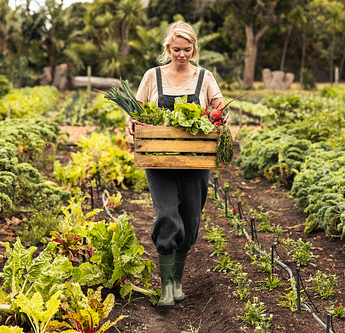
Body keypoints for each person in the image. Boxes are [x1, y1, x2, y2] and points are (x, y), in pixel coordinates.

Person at [126, 21, 225, 307]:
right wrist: (131, 123)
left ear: (194, 49)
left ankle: (178, 280)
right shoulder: (152, 76)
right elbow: (133, 113)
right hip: (159, 161)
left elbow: (218, 107)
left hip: (195, 162)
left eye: (187, 49)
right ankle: (167, 286)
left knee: (191, 223)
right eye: (176, 49)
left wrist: (220, 116)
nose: (182, 54)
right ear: (168, 48)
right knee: (168, 216)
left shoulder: (205, 78)